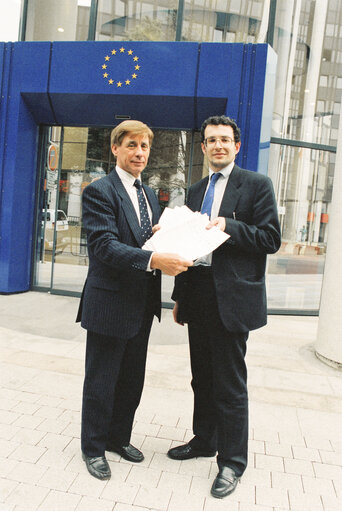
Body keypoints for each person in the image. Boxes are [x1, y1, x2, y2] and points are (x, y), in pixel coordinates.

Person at [167, 115, 281, 498]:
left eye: (225, 140)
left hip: (232, 300)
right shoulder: (195, 189)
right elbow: (186, 246)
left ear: (237, 146)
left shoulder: (257, 185)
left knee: (230, 385)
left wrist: (227, 226)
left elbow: (270, 238)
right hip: (198, 298)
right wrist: (180, 297)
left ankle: (232, 462)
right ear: (203, 147)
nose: (218, 145)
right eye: (211, 140)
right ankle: (204, 441)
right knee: (202, 378)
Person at [76, 120, 192, 480]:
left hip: (141, 306)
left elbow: (142, 238)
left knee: (131, 380)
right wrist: (155, 259)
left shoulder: (146, 192)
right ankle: (93, 448)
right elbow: (104, 246)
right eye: (131, 145)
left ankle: (117, 438)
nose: (139, 152)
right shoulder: (100, 191)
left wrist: (163, 233)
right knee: (102, 381)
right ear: (115, 149)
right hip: (110, 304)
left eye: (144, 146)